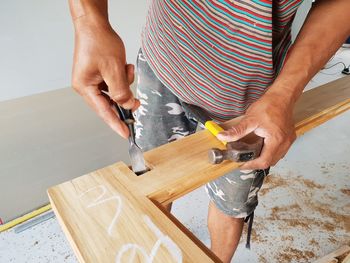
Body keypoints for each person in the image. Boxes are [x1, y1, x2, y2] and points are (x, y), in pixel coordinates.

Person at [68, 1, 350, 262]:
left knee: (231, 207)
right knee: (152, 180)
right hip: (163, 62)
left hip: (251, 102)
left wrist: (285, 93)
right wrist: (89, 20)